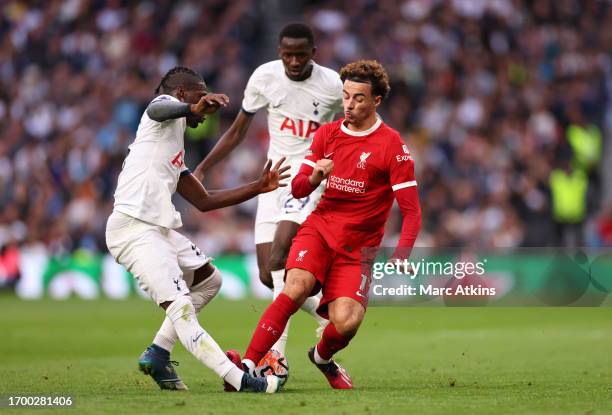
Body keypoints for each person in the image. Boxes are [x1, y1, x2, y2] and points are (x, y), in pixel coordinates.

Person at [238, 60, 421, 389]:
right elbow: (296, 190)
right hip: (320, 231)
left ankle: (321, 357)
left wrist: (403, 253)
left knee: (347, 322)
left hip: (357, 249)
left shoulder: (393, 146)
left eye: (359, 98)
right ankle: (248, 366)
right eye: (346, 96)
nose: (349, 104)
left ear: (376, 100)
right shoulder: (327, 134)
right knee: (294, 287)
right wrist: (313, 176)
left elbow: (412, 211)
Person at [105, 66, 289, 393]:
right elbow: (156, 106)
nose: (205, 106)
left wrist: (257, 187)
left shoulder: (173, 147)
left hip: (157, 230)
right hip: (133, 229)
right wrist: (192, 108)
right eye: (199, 95)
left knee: (209, 281)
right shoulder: (160, 113)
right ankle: (241, 380)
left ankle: (159, 353)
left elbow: (203, 201)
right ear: (181, 94)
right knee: (181, 307)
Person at [194, 23, 343, 356]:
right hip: (272, 179)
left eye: (301, 55)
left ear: (313, 54)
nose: (293, 61)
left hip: (308, 180)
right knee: (267, 273)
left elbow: (355, 126)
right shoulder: (264, 78)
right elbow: (236, 132)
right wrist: (203, 167)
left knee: (279, 257)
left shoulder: (333, 85)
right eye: (288, 54)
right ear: (279, 52)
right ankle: (330, 313)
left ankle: (275, 358)